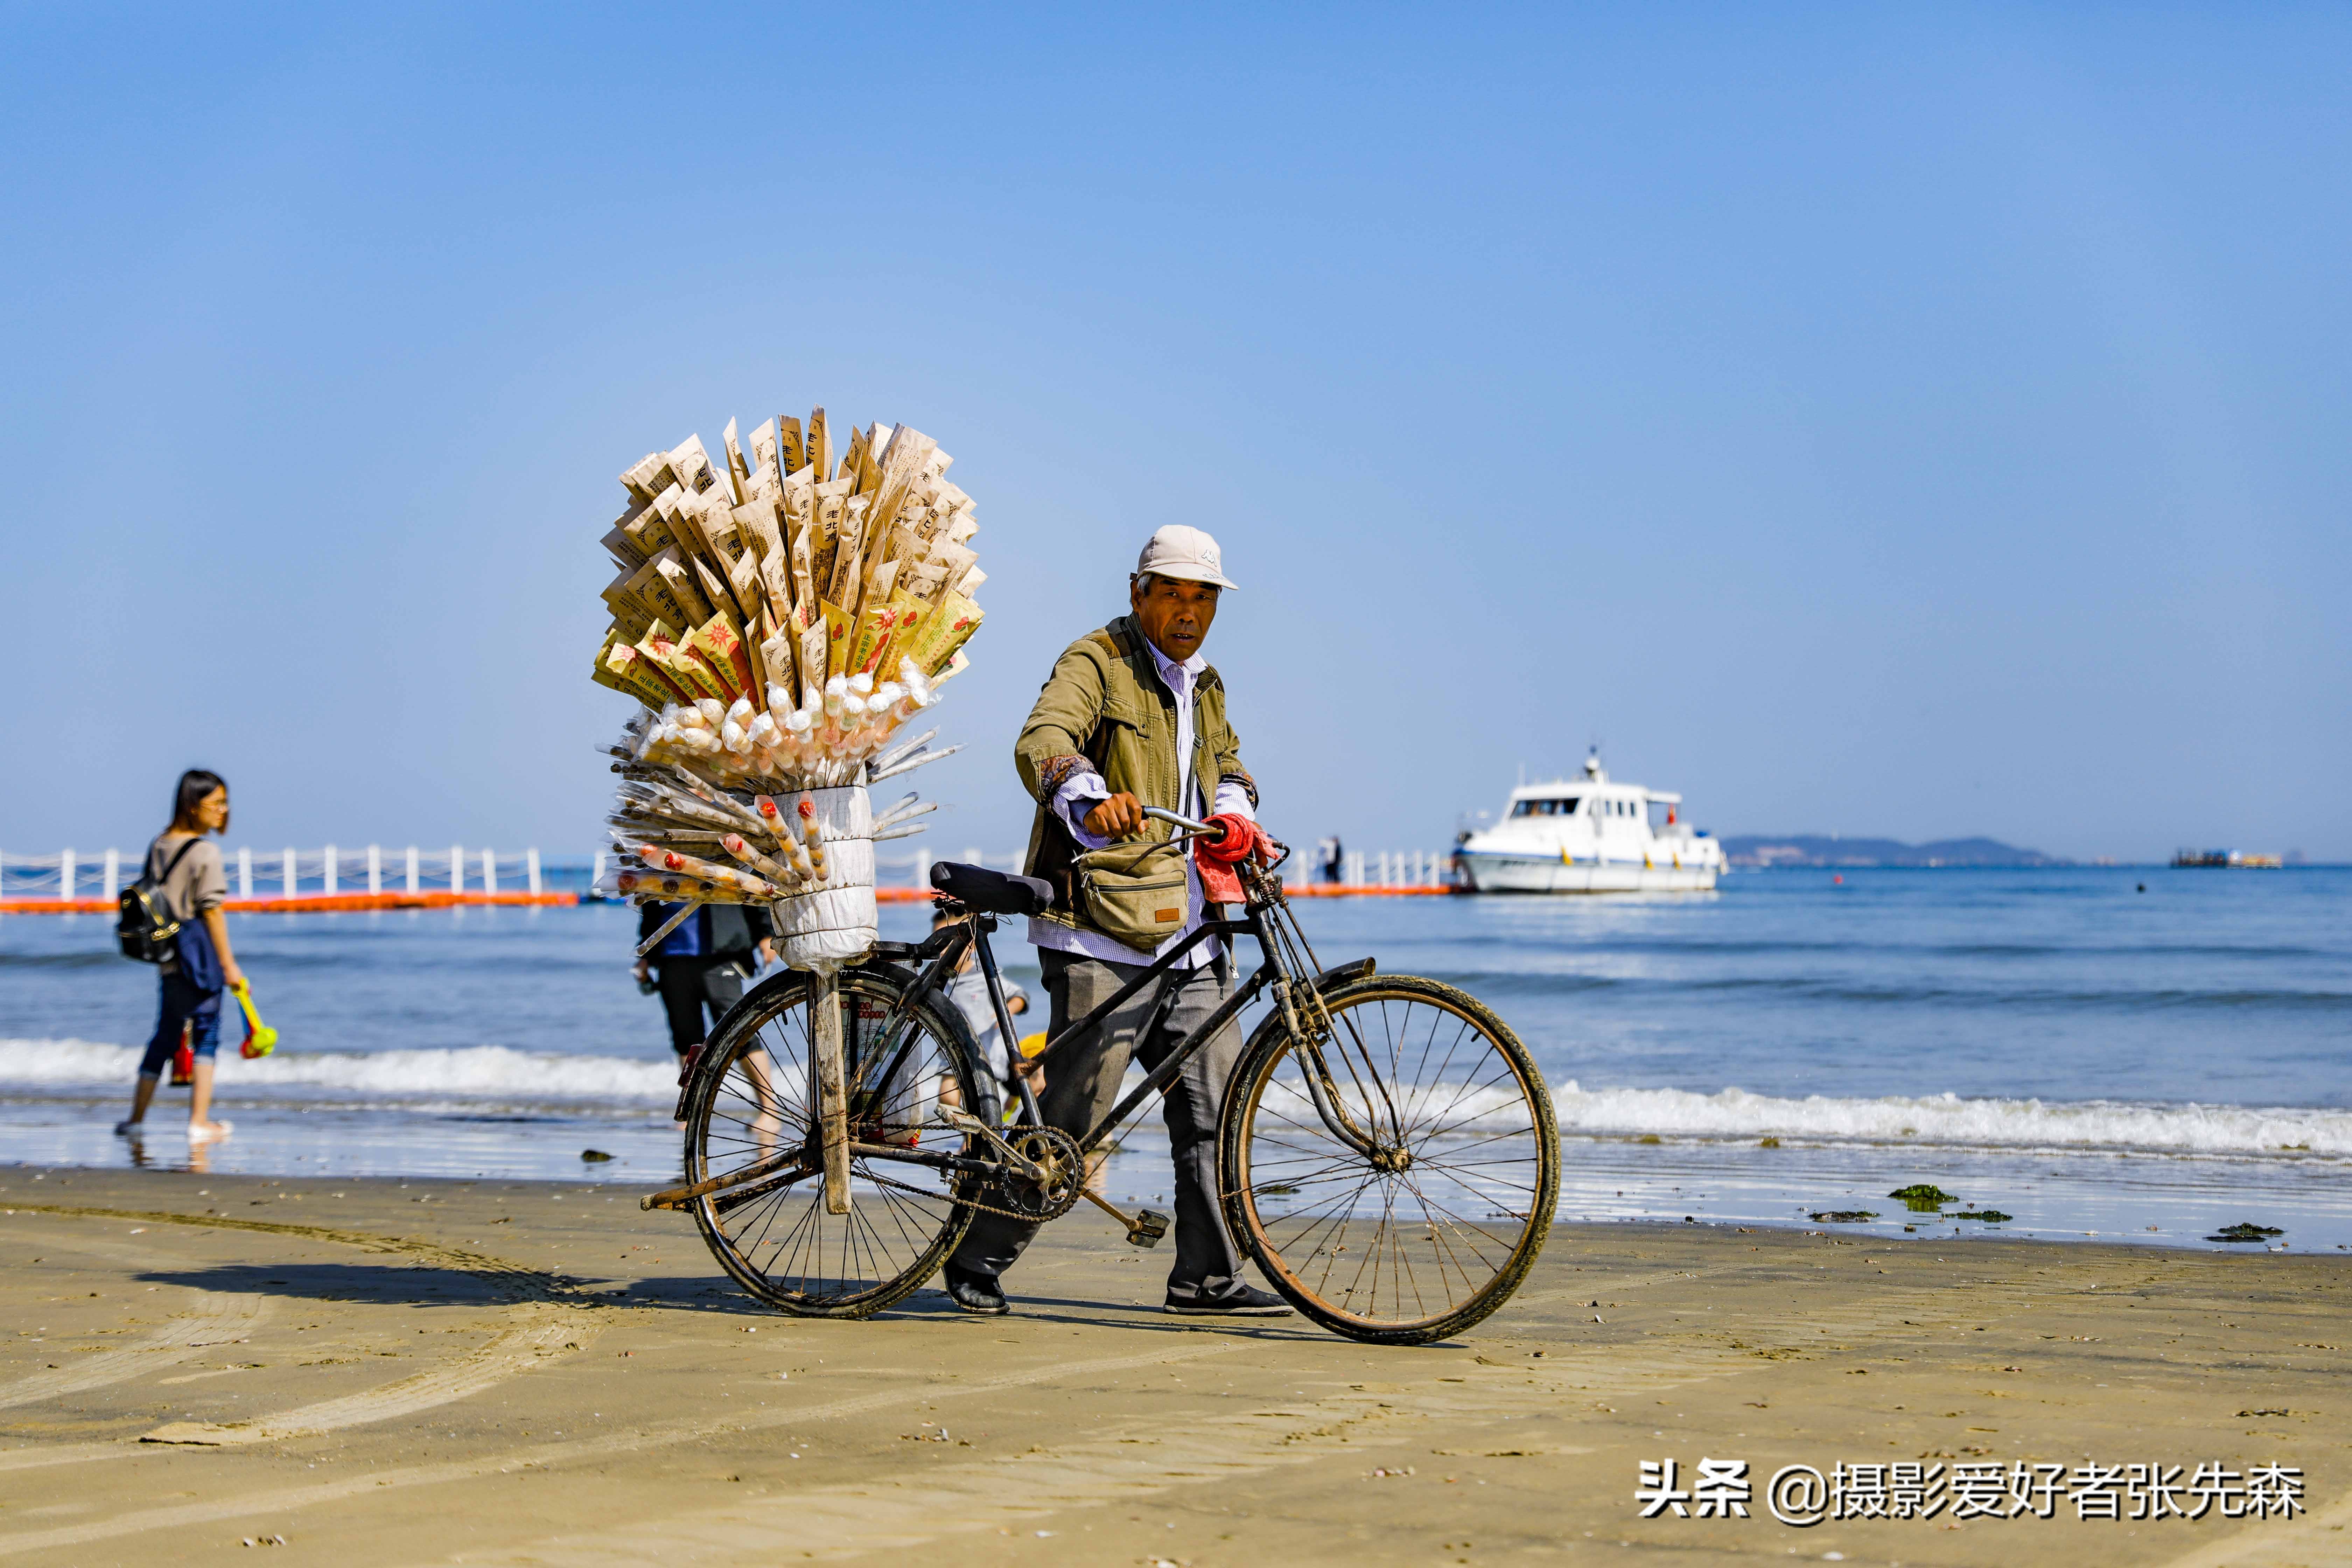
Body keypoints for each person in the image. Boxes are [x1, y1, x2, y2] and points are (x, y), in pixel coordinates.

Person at [938, 524, 1291, 1318]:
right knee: (1074, 1120)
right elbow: (1045, 741)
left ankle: (1206, 1279)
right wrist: (1090, 799)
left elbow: (1227, 764)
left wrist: (1235, 811)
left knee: (1215, 1107)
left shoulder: (1206, 684)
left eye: (1202, 597)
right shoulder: (1096, 661)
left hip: (1192, 932)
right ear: (1139, 593)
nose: (1188, 611)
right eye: (1172, 593)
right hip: (1101, 929)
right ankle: (977, 1259)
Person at [115, 770, 244, 1144]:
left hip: (167, 950)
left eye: (225, 802)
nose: (224, 811)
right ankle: (199, 1122)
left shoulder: (159, 844)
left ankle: (136, 1119)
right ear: (193, 805)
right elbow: (212, 911)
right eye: (216, 803)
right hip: (200, 950)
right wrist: (230, 965)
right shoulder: (206, 852)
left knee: (166, 1033)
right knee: (207, 1032)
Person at [632, 902, 775, 1068]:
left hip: (722, 954)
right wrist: (644, 953)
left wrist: (768, 933)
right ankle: (693, 1095)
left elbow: (752, 882)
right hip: (671, 957)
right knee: (686, 1040)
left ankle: (768, 1095)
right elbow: (650, 903)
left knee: (740, 1036)